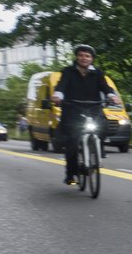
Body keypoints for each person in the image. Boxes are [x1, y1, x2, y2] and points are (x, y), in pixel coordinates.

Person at [51, 44, 120, 185]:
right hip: (73, 110)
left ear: (92, 59)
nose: (84, 58)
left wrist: (112, 96)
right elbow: (62, 85)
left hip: (93, 108)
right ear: (77, 57)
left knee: (103, 126)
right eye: (81, 55)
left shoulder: (98, 73)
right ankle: (71, 174)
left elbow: (106, 87)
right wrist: (58, 95)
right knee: (72, 141)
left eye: (87, 56)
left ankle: (98, 149)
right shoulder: (68, 72)